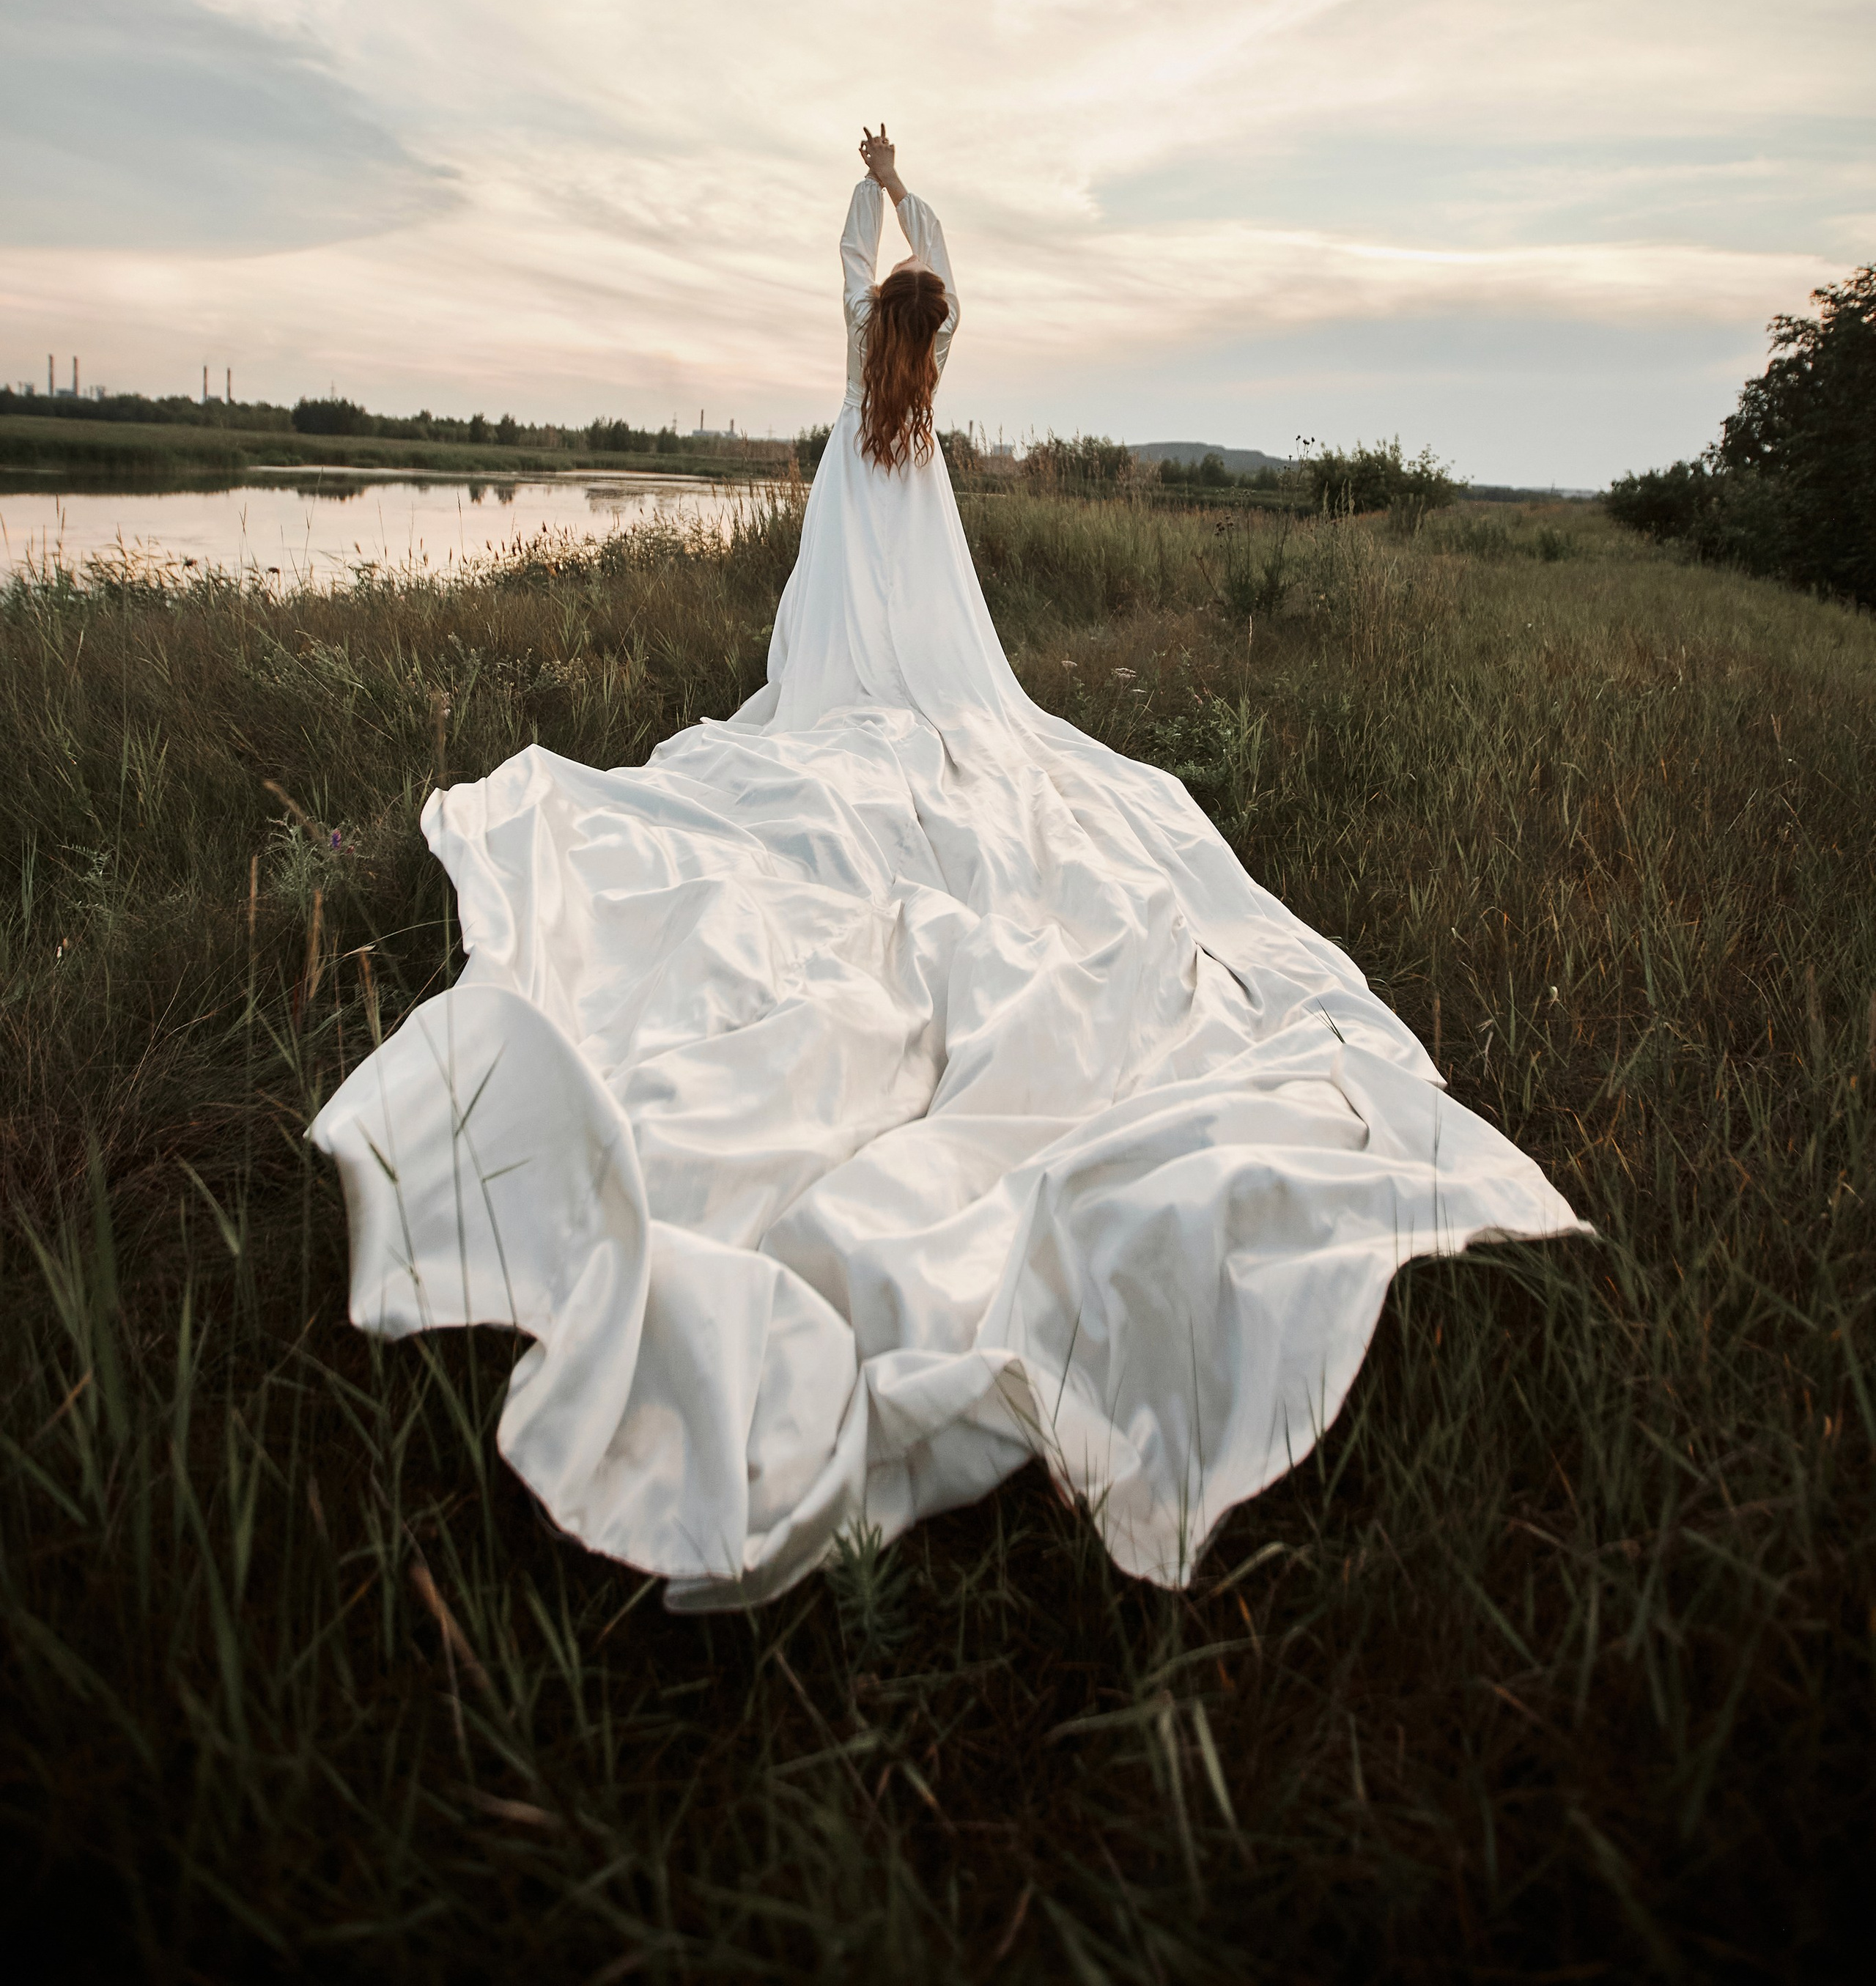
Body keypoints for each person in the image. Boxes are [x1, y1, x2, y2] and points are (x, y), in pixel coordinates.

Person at [313, 136, 1581, 1608]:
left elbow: (859, 271)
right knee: (956, 745)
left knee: (818, 738)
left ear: (880, 324)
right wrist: (916, 214)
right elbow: (929, 283)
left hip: (857, 615)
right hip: (913, 594)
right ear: (937, 336)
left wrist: (879, 192)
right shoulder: (921, 414)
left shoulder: (859, 408)